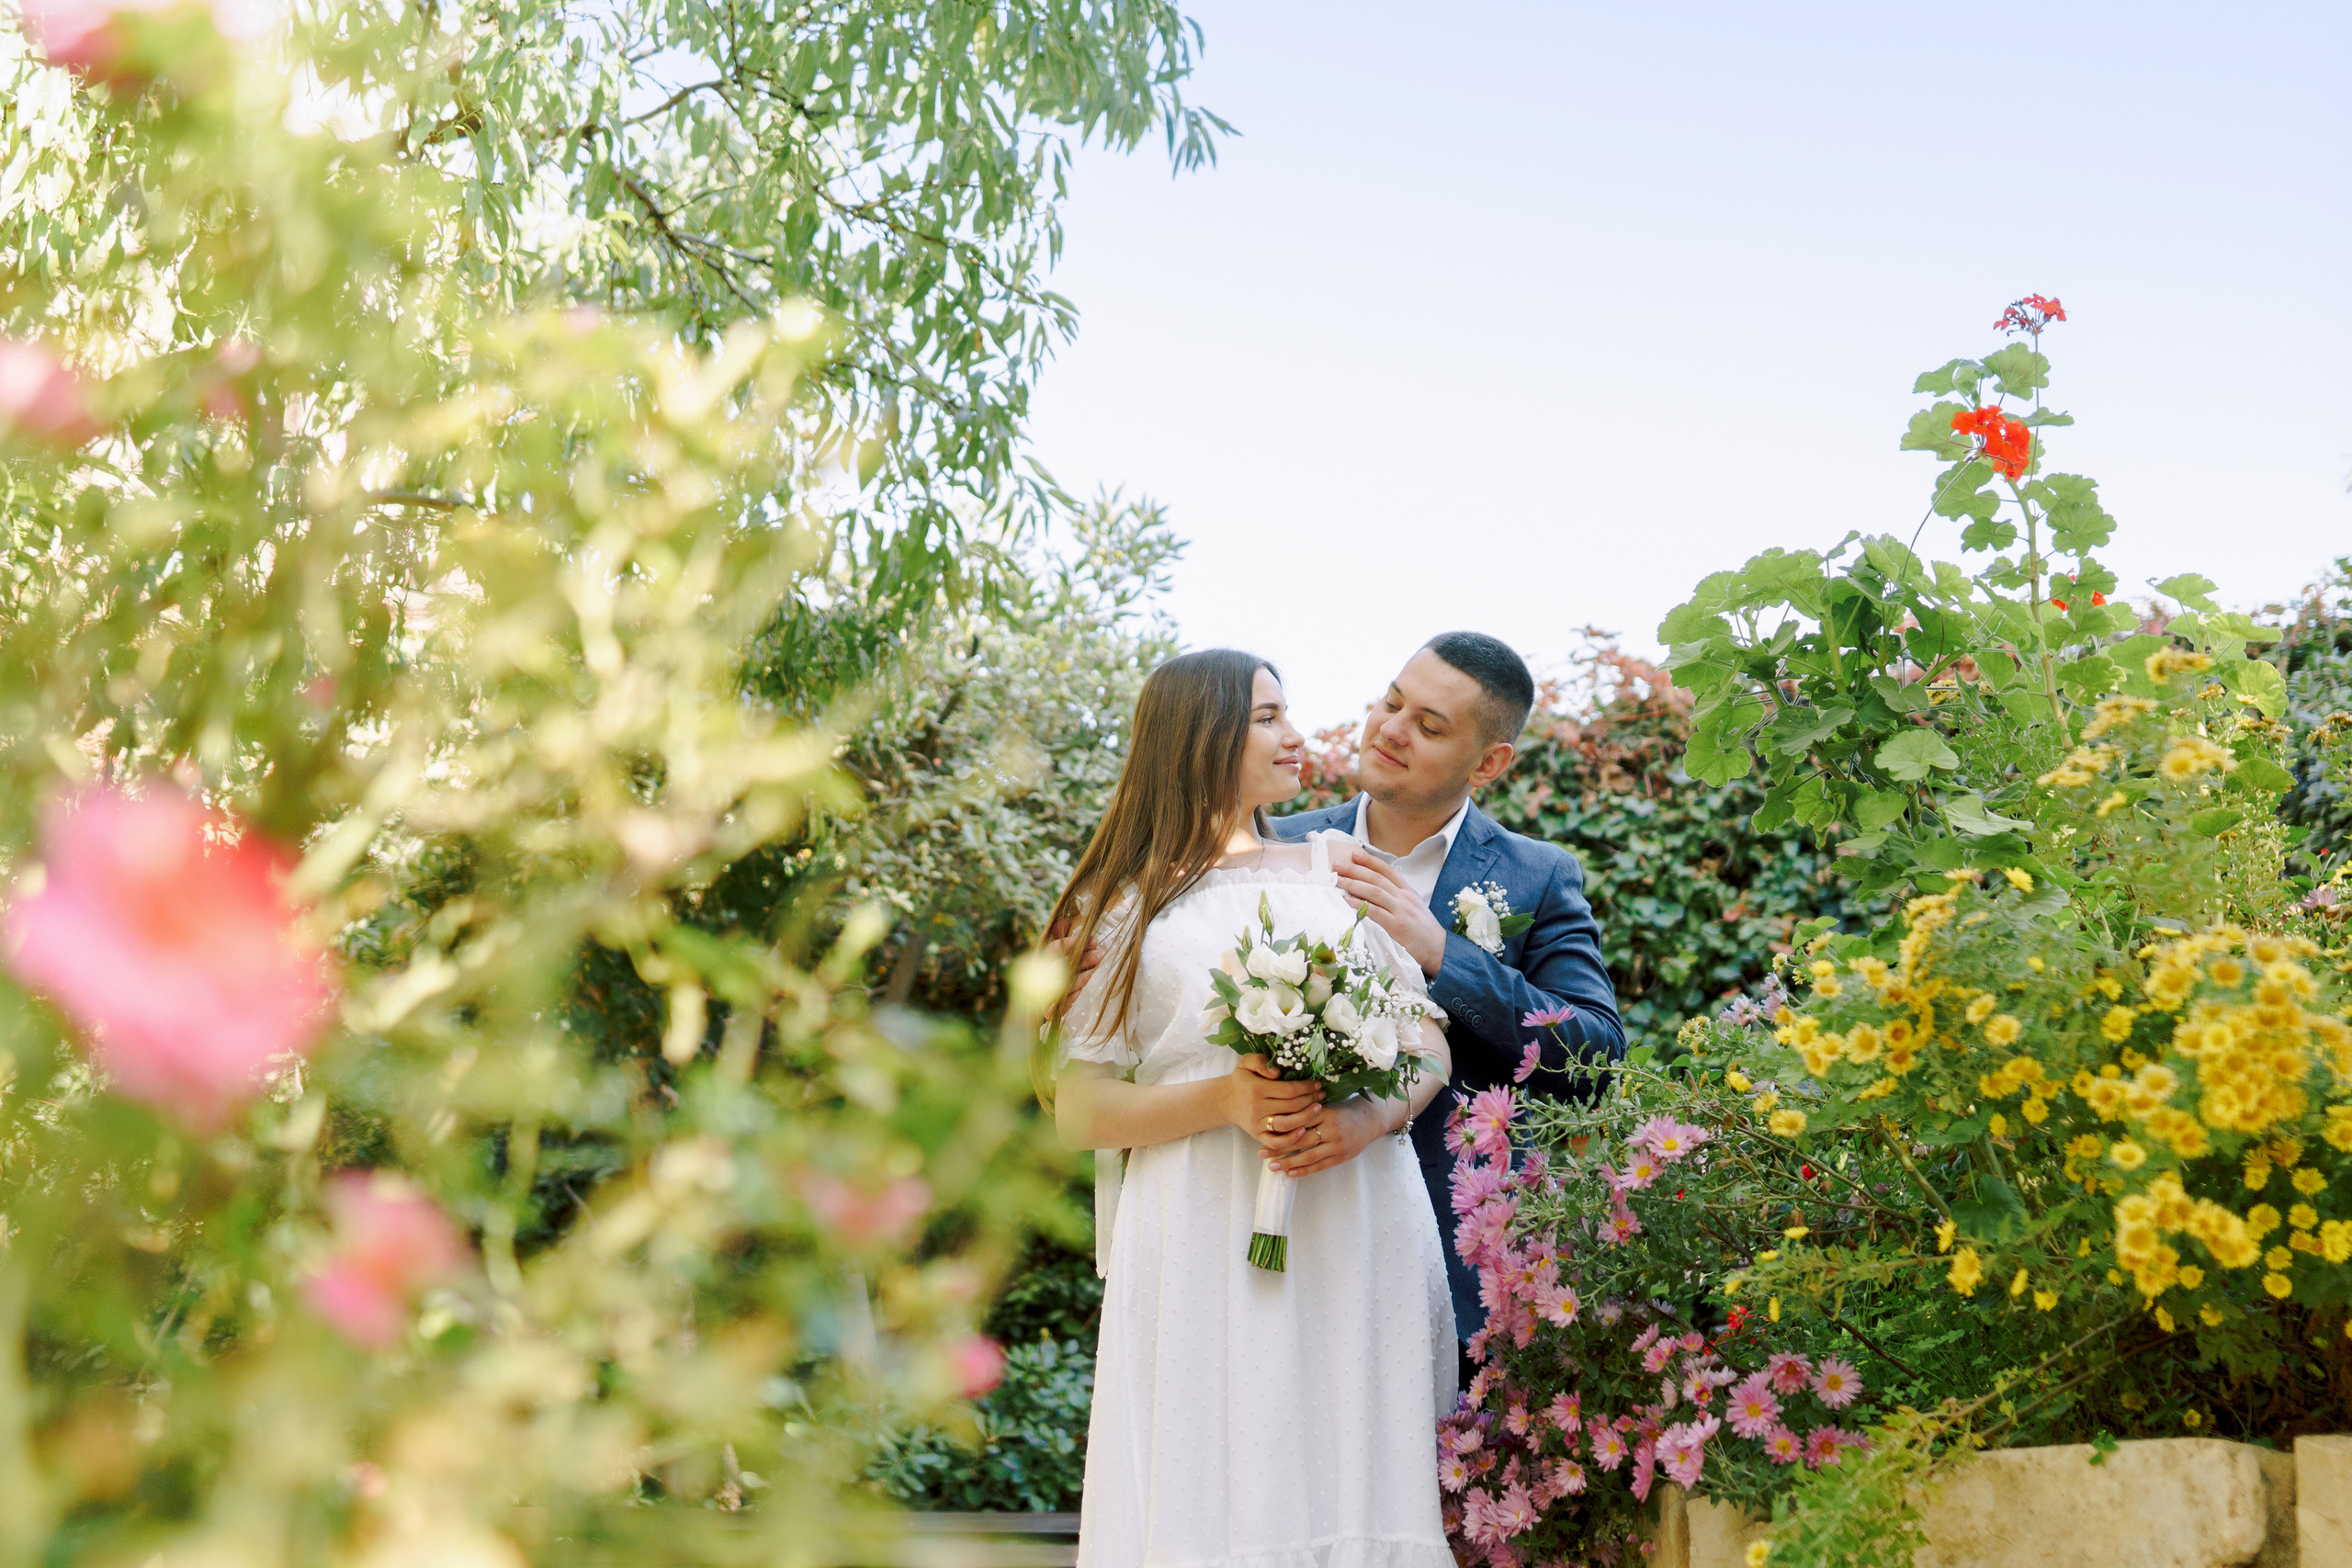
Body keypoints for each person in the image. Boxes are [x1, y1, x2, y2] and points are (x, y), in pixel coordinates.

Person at [1047, 648, 1458, 1568]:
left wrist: (1362, 1120)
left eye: (1286, 713)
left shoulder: (1340, 868)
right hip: (1197, 1224)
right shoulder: (1122, 904)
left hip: (1347, 1213)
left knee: (1347, 1463)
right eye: (1267, 716)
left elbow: (1426, 1042)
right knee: (1213, 1471)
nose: (1294, 735)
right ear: (1200, 736)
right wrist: (1227, 1099)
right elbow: (1079, 1112)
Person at [1269, 632, 1624, 1349]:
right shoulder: (1273, 844)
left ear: (1489, 761)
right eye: (1392, 702)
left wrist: (1442, 954)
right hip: (1286, 1233)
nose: (1391, 730)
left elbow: (1595, 1060)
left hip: (1447, 1261)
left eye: (1429, 726)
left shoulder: (1539, 876)